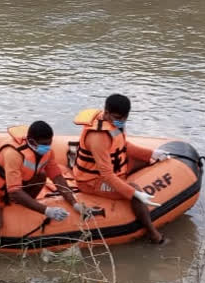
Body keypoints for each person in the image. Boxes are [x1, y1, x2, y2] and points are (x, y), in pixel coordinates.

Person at [0, 121, 87, 246]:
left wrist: (74, 203)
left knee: (41, 176)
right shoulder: (13, 153)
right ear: (32, 141)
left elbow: (57, 178)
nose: (48, 147)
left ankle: (21, 206)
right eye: (44, 144)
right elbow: (15, 192)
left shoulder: (47, 152)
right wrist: (47, 211)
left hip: (5, 184)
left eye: (49, 143)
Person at [72, 94, 169, 244]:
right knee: (135, 191)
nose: (121, 122)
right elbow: (106, 174)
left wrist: (152, 154)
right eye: (118, 118)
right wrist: (133, 193)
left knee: (147, 160)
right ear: (106, 112)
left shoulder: (115, 124)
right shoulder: (98, 136)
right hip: (92, 181)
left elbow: (124, 146)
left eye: (124, 118)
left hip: (115, 169)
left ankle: (145, 167)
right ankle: (154, 235)